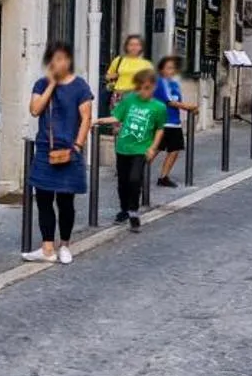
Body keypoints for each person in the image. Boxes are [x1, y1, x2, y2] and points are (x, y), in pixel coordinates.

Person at [27, 41, 92, 263]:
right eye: (54, 59)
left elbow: (86, 118)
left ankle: (64, 244)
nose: (59, 63)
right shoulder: (41, 84)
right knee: (43, 198)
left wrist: (78, 145)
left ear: (69, 61)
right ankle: (47, 248)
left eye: (63, 58)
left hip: (69, 150)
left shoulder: (80, 86)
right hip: (46, 149)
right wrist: (52, 85)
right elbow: (35, 110)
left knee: (65, 201)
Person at [97, 69, 167, 231]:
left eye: (148, 88)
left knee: (135, 179)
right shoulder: (129, 101)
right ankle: (123, 210)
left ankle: (133, 211)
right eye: (141, 88)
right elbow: (117, 117)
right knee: (123, 181)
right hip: (123, 147)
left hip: (141, 149)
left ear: (153, 87)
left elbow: (159, 129)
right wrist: (100, 120)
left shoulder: (158, 107)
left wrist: (153, 147)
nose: (144, 92)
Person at [151, 56, 195, 188]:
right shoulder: (160, 83)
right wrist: (188, 107)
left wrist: (188, 108)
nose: (171, 70)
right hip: (163, 122)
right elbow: (170, 101)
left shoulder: (175, 84)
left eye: (173, 68)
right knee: (155, 150)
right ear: (162, 70)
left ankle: (163, 177)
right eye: (168, 68)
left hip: (174, 122)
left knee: (175, 150)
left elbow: (177, 101)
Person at [104, 34, 153, 114]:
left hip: (137, 96)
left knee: (134, 123)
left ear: (141, 47)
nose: (134, 47)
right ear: (126, 46)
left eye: (137, 45)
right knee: (117, 123)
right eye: (131, 45)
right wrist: (114, 76)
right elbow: (108, 76)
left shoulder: (146, 64)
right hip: (119, 95)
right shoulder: (119, 60)